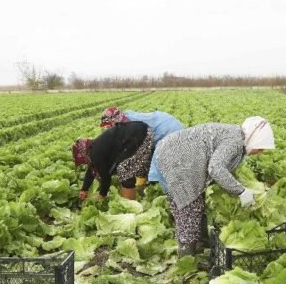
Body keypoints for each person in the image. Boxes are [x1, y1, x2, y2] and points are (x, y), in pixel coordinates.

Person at [155, 116, 275, 256]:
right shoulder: (235, 141)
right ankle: (186, 258)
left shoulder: (237, 137)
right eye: (260, 148)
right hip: (177, 160)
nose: (259, 153)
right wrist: (240, 191)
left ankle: (199, 245)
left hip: (174, 155)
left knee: (194, 207)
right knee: (188, 212)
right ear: (254, 140)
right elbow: (216, 168)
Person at [99, 107, 184, 186]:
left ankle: (163, 185)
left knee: (162, 163)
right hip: (166, 122)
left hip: (168, 130)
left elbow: (141, 152)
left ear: (114, 122)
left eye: (109, 125)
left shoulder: (130, 127)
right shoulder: (125, 118)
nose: (109, 128)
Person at [71, 121, 153, 201]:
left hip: (138, 134)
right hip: (141, 131)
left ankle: (130, 203)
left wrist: (102, 195)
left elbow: (106, 178)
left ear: (82, 154)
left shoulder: (95, 153)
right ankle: (143, 190)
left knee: (124, 170)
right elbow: (91, 170)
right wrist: (84, 189)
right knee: (134, 167)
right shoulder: (93, 149)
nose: (84, 162)